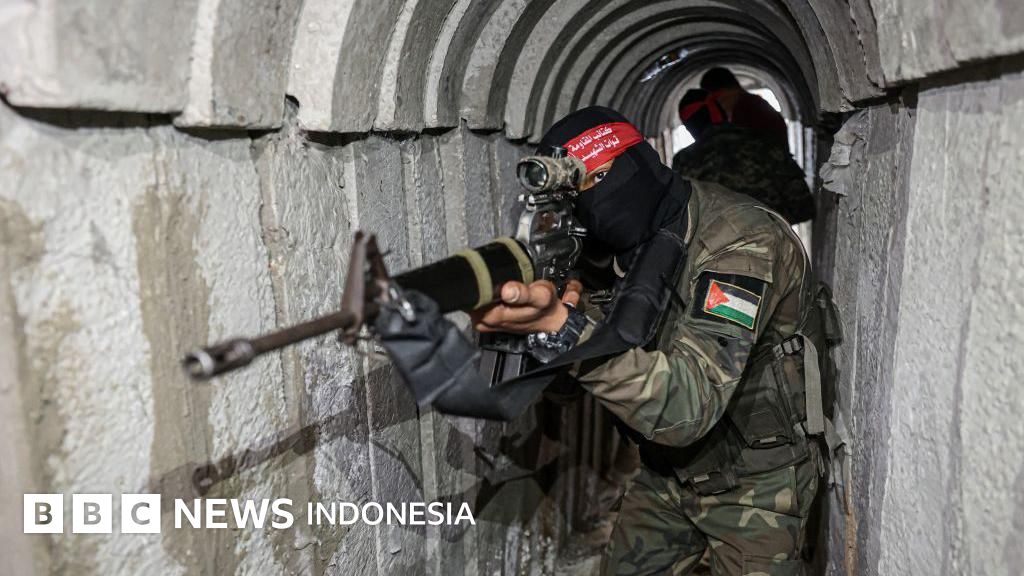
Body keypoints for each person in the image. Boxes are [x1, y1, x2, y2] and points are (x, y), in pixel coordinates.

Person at [377, 107, 840, 575]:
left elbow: (687, 410)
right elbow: (567, 392)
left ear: (633, 164)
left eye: (595, 180)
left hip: (760, 483)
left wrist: (566, 328)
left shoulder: (741, 244)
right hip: (667, 472)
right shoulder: (619, 251)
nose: (590, 206)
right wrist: (534, 332)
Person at [674, 89, 815, 224]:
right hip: (773, 243)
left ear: (690, 127)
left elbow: (681, 223)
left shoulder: (683, 162)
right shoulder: (764, 142)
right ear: (719, 111)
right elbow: (803, 207)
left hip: (715, 248)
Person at [700, 67, 788, 148]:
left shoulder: (747, 108)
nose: (720, 105)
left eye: (719, 99)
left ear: (729, 90)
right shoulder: (752, 104)